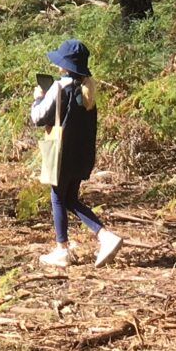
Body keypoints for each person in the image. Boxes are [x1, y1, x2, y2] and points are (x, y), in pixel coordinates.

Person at [29, 39, 122, 268]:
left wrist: (38, 98)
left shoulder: (59, 87)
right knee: (70, 198)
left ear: (65, 65)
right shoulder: (87, 89)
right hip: (80, 154)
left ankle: (63, 249)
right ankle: (103, 236)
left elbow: (39, 117)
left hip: (61, 152)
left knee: (58, 197)